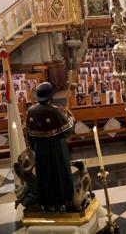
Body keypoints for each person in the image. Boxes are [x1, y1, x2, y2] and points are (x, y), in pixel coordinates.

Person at [26, 82, 74, 211]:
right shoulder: (54, 111)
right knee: (59, 173)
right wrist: (70, 116)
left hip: (40, 149)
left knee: (44, 175)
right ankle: (62, 201)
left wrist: (36, 148)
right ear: (51, 96)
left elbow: (29, 134)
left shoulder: (30, 111)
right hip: (56, 148)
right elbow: (67, 131)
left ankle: (47, 203)